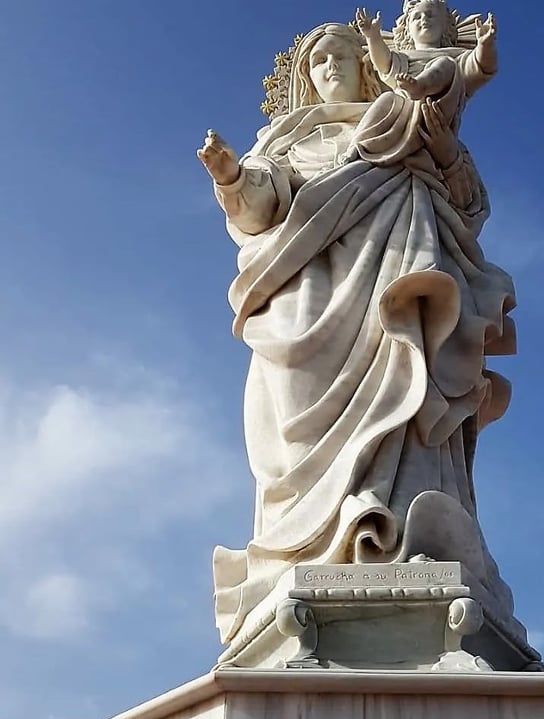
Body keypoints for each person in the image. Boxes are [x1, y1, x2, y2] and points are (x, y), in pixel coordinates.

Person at [198, 22, 517, 661]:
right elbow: (260, 208)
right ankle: (313, 546)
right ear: (300, 77)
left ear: (367, 64)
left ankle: (404, 538)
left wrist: (441, 145)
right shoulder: (285, 141)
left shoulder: (399, 119)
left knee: (410, 390)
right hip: (307, 291)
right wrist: (232, 178)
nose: (328, 65)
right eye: (315, 59)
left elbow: (468, 202)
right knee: (292, 398)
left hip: (397, 276)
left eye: (341, 53)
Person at [347, 3, 497, 166]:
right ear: (407, 29)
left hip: (437, 112)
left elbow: (482, 66)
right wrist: (372, 36)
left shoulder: (457, 56)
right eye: (417, 17)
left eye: (430, 15)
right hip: (404, 109)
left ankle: (421, 86)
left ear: (445, 25)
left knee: (446, 64)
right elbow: (384, 64)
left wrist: (485, 44)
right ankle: (355, 148)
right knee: (386, 99)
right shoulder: (403, 58)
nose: (424, 19)